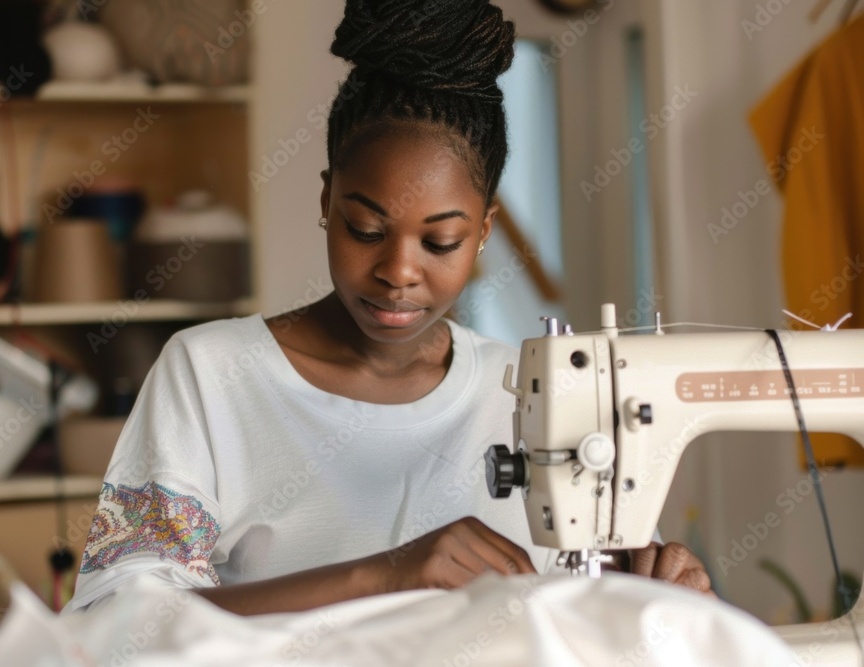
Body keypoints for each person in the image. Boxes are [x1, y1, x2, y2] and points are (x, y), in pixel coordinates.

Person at [66, 0, 711, 617]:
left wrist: (657, 587)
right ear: (327, 202)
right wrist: (384, 574)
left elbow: (600, 596)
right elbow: (119, 620)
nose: (399, 271)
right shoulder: (212, 373)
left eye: (441, 242)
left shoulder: (535, 392)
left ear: (484, 231)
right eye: (366, 230)